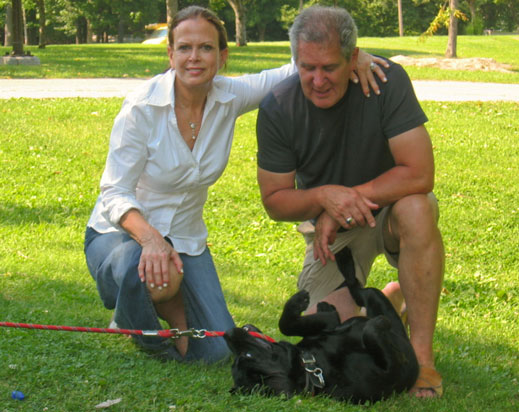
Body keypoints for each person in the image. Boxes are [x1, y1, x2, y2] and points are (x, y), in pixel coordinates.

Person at [84, 5, 387, 363]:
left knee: (215, 351)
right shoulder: (141, 108)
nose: (194, 57)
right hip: (121, 239)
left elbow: (298, 66)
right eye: (184, 47)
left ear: (222, 56)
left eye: (206, 48)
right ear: (170, 53)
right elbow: (114, 192)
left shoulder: (230, 97)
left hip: (185, 240)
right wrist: (150, 239)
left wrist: (356, 55)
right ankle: (138, 318)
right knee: (153, 268)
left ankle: (156, 302)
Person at [256, 6, 444, 397]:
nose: (318, 80)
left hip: (388, 211)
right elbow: (275, 201)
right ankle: (390, 304)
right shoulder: (278, 104)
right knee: (321, 330)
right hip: (333, 234)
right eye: (307, 67)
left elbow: (419, 173)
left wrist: (349, 198)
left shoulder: (385, 82)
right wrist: (324, 198)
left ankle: (423, 360)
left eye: (329, 67)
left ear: (352, 56)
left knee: (418, 207)